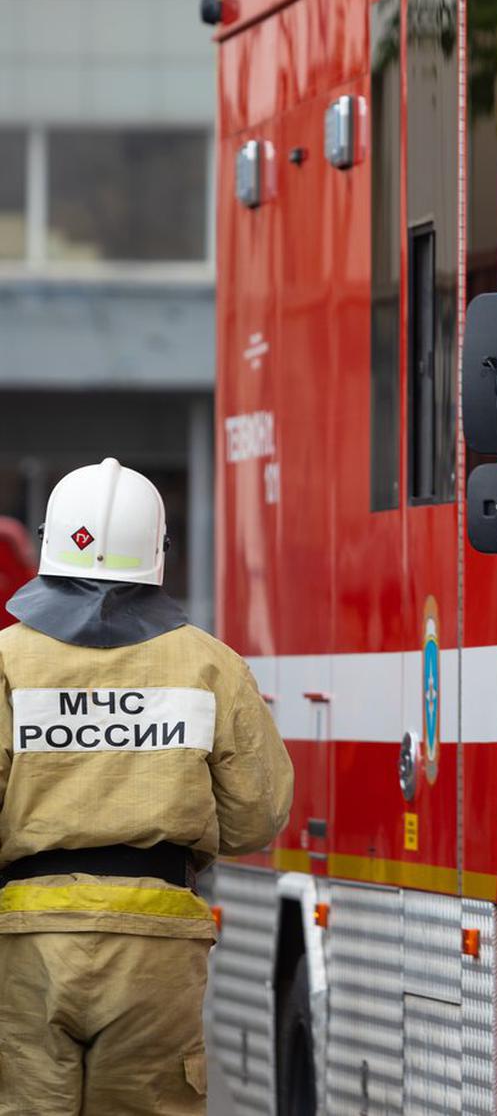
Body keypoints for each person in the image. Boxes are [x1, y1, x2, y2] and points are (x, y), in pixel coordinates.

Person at [0, 457, 293, 1115]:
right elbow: (258, 814)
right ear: (157, 553)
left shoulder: (6, 660)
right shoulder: (210, 664)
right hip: (157, 944)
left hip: (27, 943)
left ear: (51, 544)